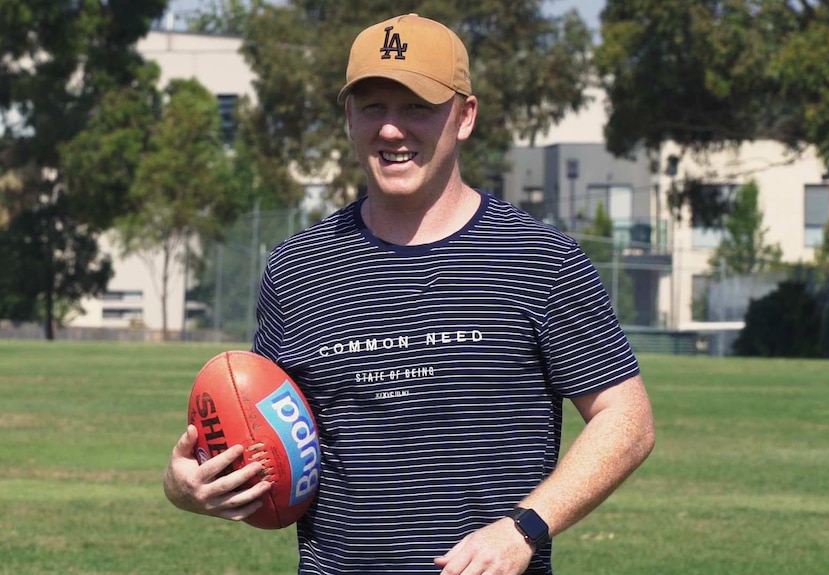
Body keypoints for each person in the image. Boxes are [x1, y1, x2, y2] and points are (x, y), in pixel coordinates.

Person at [164, 12, 655, 575]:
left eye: (417, 106)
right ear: (349, 117)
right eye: (374, 107)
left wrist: (526, 526)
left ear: (464, 116)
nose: (392, 129)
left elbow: (627, 418)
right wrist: (187, 486)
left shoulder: (538, 258)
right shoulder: (297, 269)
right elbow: (265, 437)